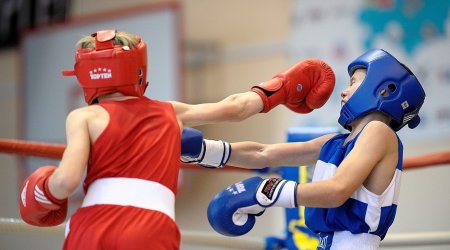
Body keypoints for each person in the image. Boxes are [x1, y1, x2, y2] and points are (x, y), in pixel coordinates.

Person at [18, 29, 335, 249]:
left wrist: (43, 190)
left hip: (94, 222)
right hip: (152, 226)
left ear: (84, 76)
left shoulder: (84, 116)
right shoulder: (170, 112)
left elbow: (67, 180)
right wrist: (283, 86)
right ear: (138, 70)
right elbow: (237, 108)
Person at [183, 49, 426, 249]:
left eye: (353, 83)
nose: (343, 91)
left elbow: (337, 190)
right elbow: (262, 153)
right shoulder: (335, 142)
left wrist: (268, 191)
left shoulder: (379, 132)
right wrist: (204, 151)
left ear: (384, 90)